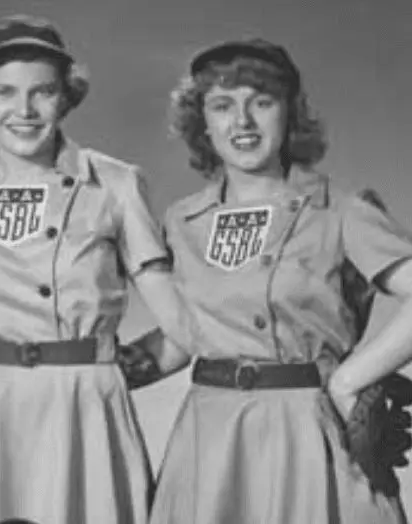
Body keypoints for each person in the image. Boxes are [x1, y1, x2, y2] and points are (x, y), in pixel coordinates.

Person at [0, 14, 191, 524]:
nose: (23, 110)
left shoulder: (114, 184)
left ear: (66, 97)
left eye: (42, 92)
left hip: (84, 408)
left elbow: (179, 319)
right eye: (3, 92)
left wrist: (112, 373)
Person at [149, 38, 412, 523]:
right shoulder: (184, 221)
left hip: (307, 432)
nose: (242, 122)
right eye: (223, 105)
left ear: (290, 113)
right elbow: (188, 335)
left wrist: (352, 378)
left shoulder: (340, 210)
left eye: (261, 102)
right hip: (212, 437)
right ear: (202, 122)